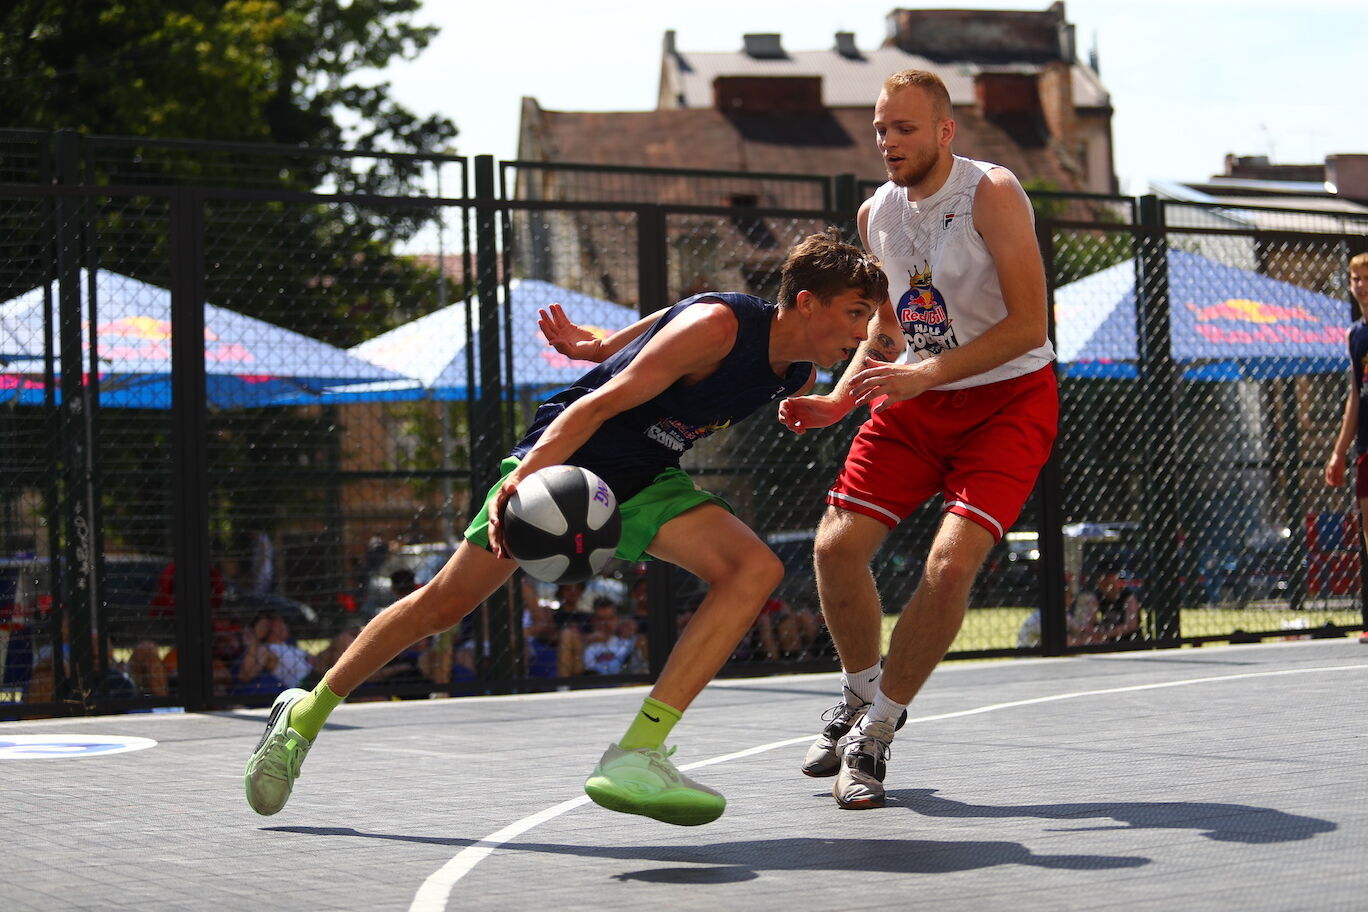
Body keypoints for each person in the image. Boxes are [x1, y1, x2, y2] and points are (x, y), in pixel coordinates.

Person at [243, 229, 887, 825]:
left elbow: (669, 314)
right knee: (443, 604)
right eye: (855, 315)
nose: (862, 334)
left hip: (644, 477)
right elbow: (601, 400)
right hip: (568, 460)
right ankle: (306, 713)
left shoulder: (796, 367)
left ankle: (637, 753)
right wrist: (525, 477)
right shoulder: (721, 328)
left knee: (755, 569)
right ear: (805, 303)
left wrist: (601, 344)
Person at [778, 69, 1058, 810]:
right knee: (835, 548)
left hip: (1008, 400)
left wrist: (923, 373)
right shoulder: (878, 214)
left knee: (948, 561)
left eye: (904, 128)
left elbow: (1031, 328)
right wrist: (840, 398)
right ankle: (859, 690)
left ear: (944, 131)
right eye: (880, 130)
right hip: (918, 395)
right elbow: (891, 325)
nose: (888, 142)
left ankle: (878, 730)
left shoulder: (991, 192)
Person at [1323, 251, 1368, 645]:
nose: (1361, 285)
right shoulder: (1355, 334)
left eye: (1367, 277)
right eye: (1355, 278)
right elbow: (1354, 396)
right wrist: (1339, 451)